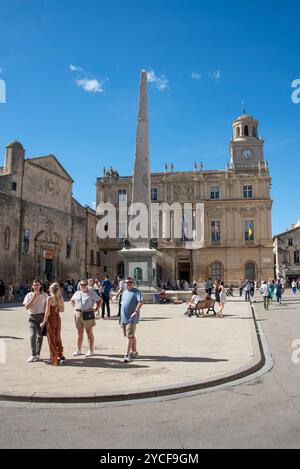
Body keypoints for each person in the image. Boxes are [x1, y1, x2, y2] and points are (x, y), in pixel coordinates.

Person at [71, 279, 102, 357]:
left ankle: (91, 350)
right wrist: (75, 307)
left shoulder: (91, 293)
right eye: (82, 285)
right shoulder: (77, 293)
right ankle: (78, 349)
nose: (83, 286)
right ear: (79, 286)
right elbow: (72, 300)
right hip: (78, 313)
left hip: (88, 313)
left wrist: (96, 309)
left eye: (85, 284)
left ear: (87, 285)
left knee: (89, 332)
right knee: (79, 332)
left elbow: (100, 300)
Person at [23, 279, 48, 363]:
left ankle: (37, 354)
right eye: (35, 285)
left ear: (40, 286)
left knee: (40, 336)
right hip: (32, 317)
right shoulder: (29, 295)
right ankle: (33, 355)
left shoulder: (45, 295)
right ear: (32, 286)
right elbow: (27, 307)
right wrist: (34, 296)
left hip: (41, 317)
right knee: (32, 335)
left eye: (38, 285)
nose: (36, 286)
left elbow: (47, 307)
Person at [120, 277, 144, 363]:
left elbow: (141, 301)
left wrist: (136, 312)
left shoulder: (136, 291)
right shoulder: (124, 292)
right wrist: (120, 319)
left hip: (131, 318)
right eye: (127, 282)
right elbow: (122, 305)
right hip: (123, 318)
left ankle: (127, 354)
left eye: (130, 282)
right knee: (131, 335)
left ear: (133, 283)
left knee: (129, 337)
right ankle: (134, 352)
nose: (128, 284)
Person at [40, 283, 65, 366]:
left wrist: (43, 322)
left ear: (51, 289)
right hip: (58, 318)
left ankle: (54, 358)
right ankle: (61, 355)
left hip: (51, 319)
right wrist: (57, 309)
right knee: (58, 337)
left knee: (51, 338)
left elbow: (47, 311)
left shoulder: (49, 298)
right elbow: (62, 310)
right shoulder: (60, 298)